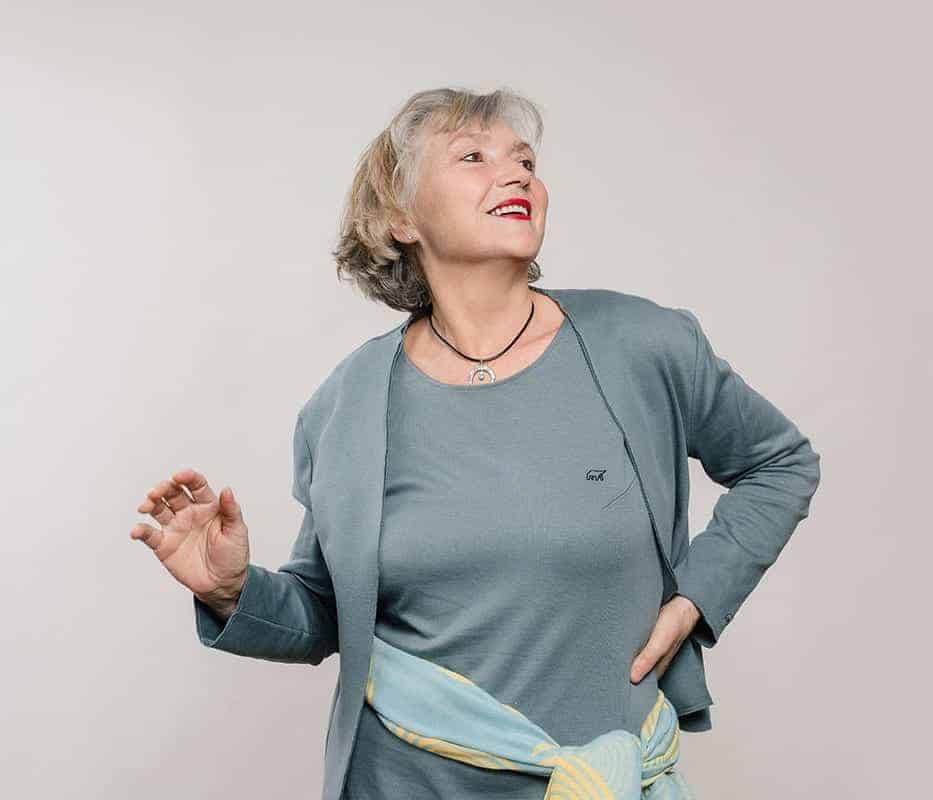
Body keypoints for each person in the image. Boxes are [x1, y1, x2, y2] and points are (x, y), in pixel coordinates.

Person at [130, 87, 821, 800]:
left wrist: (697, 597)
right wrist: (231, 591)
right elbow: (329, 613)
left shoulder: (645, 346)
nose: (516, 173)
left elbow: (780, 462)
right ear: (400, 218)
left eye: (525, 161)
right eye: (473, 157)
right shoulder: (346, 405)